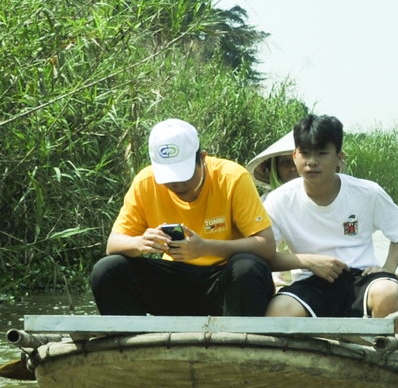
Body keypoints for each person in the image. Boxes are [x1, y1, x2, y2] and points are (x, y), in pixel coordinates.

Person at [91, 118, 276, 316]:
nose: (178, 185)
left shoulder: (232, 178)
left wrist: (204, 247)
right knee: (108, 270)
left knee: (248, 268)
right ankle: (133, 344)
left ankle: (239, 342)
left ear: (202, 158)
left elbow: (265, 246)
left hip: (224, 283)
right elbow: (113, 244)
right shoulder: (145, 182)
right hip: (174, 283)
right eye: (169, 178)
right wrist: (140, 243)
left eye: (184, 176)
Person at [263, 114, 398, 319]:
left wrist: (388, 268)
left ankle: (390, 350)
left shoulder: (367, 192)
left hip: (361, 278)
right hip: (309, 280)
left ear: (339, 157)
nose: (312, 162)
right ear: (295, 156)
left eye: (322, 154)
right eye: (305, 153)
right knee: (277, 313)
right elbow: (265, 254)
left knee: (388, 292)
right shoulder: (278, 200)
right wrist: (309, 262)